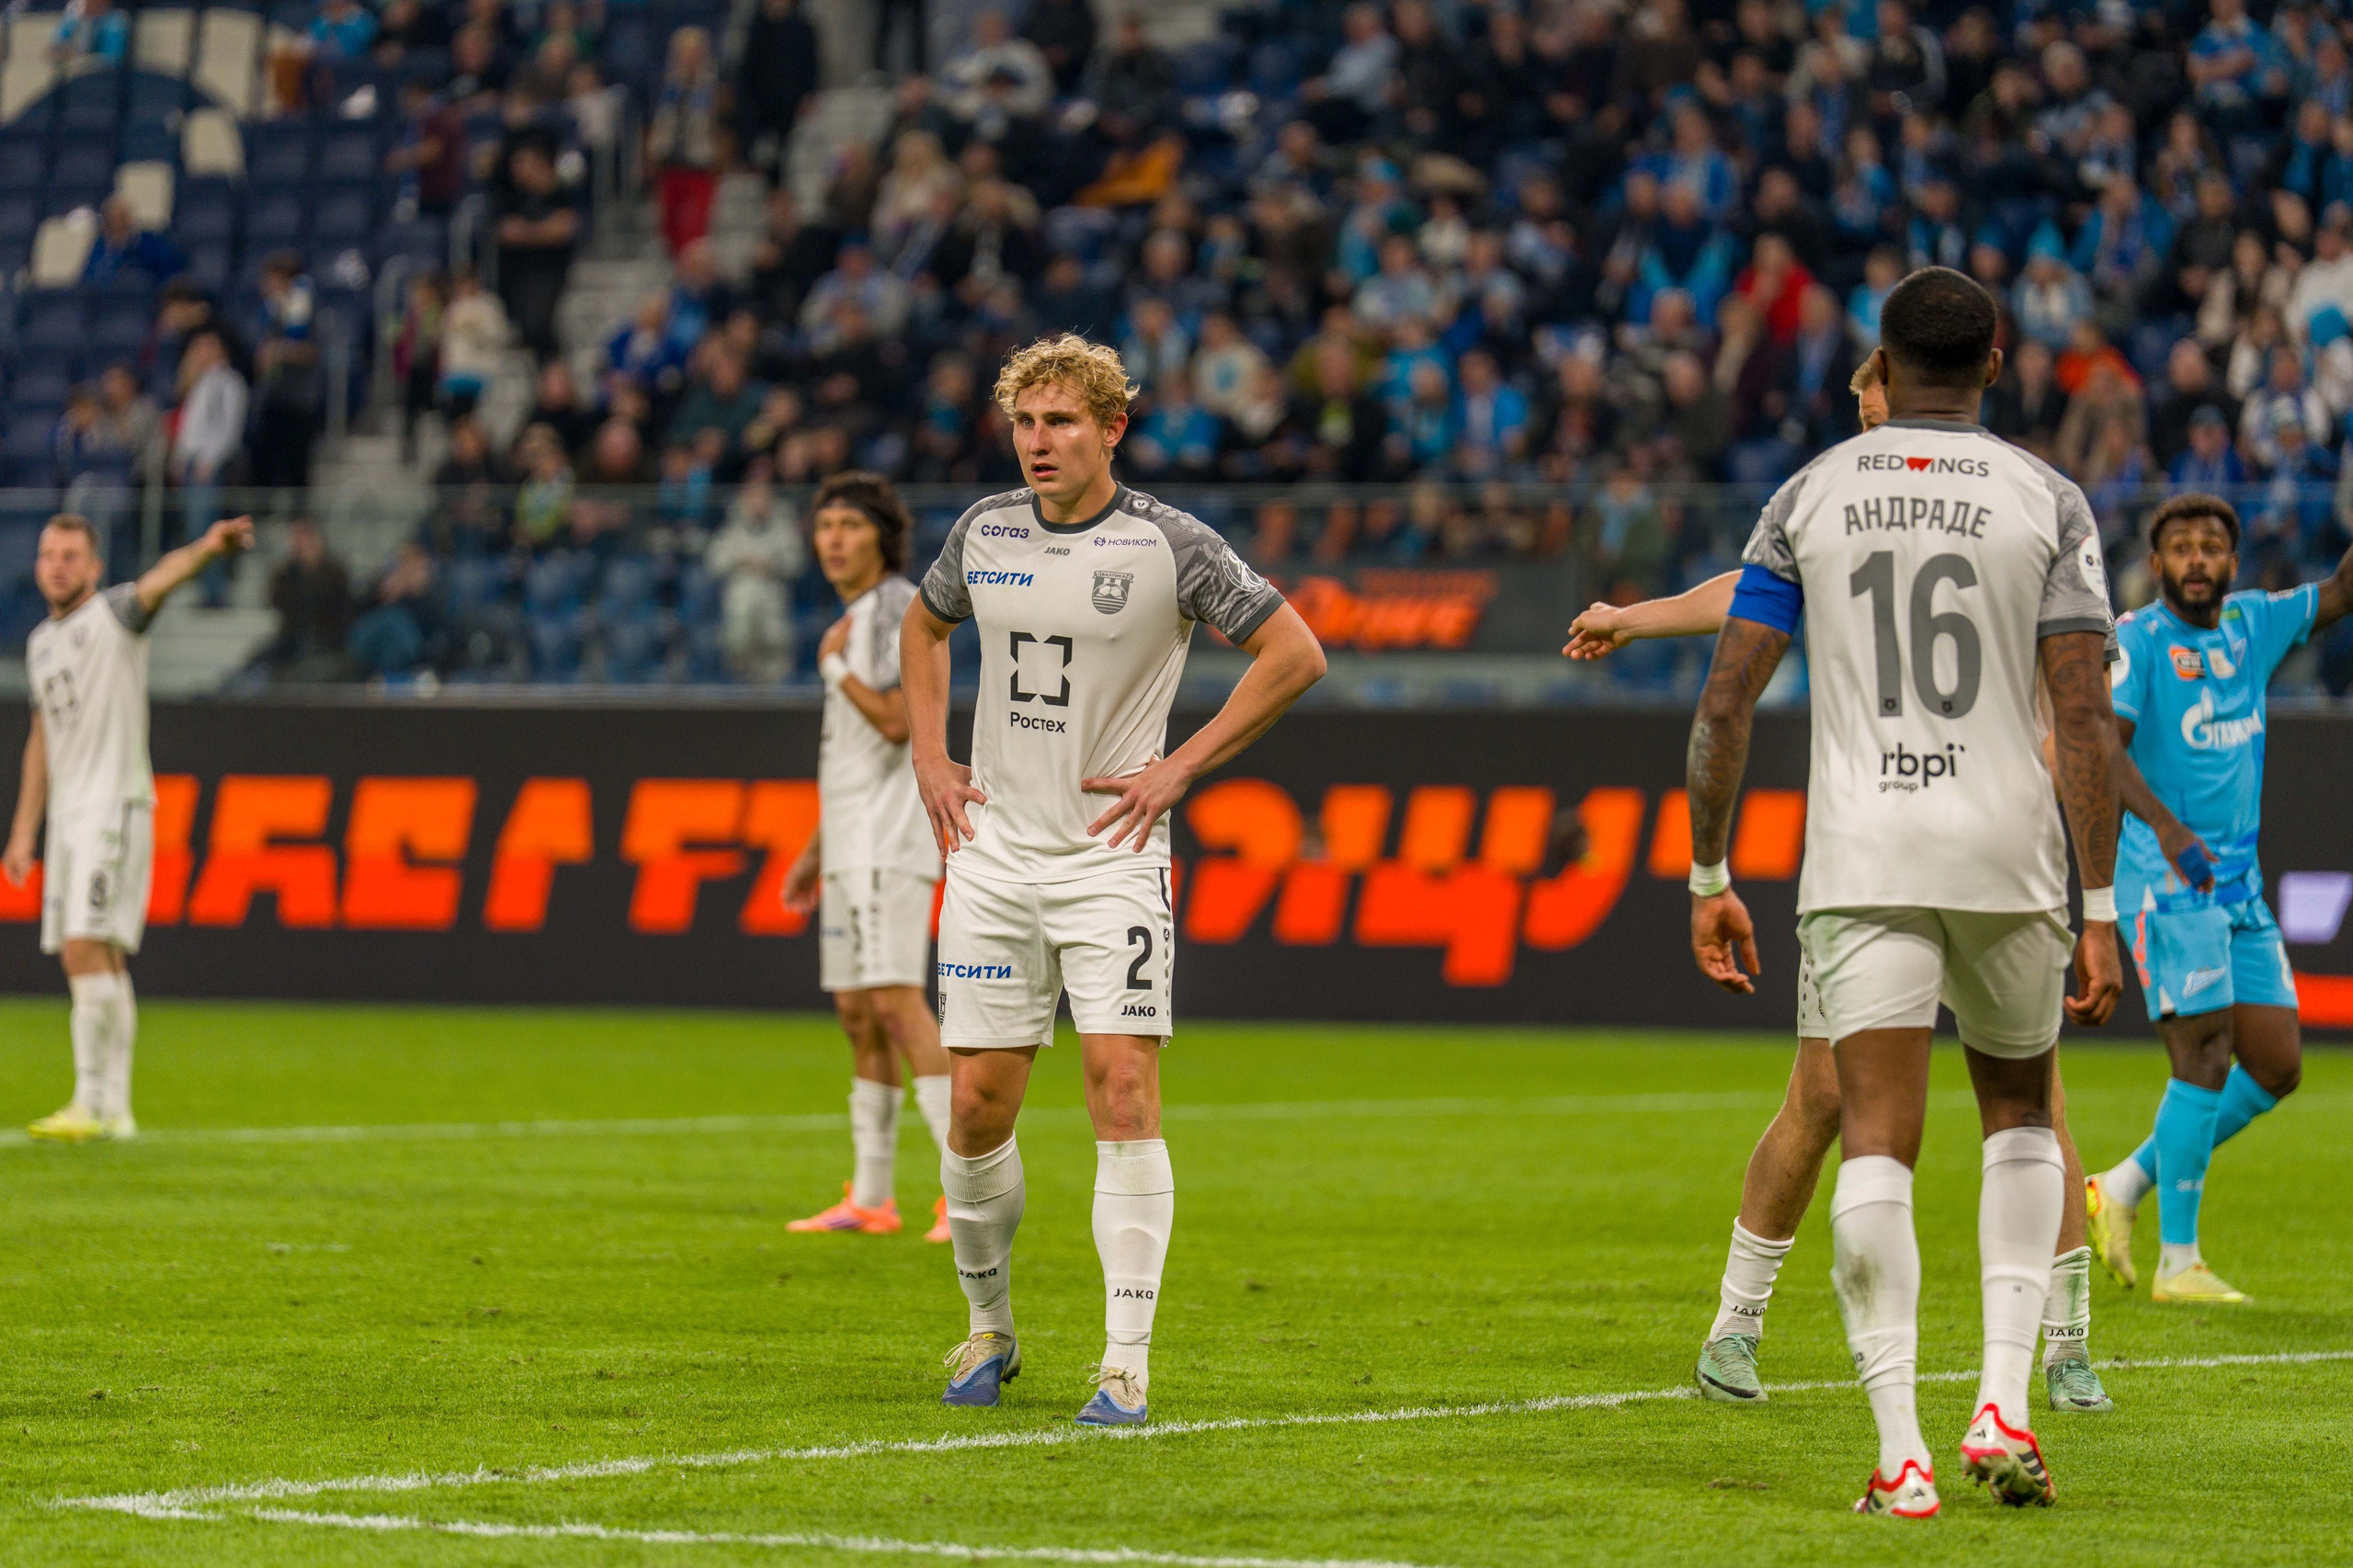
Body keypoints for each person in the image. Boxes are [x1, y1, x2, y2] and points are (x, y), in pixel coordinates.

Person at [1564, 354, 2120, 1421]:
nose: (1865, 414)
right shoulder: (1984, 499)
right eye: (1859, 403)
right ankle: (1736, 1324)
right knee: (1836, 1095)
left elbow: (1740, 665)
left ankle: (2062, 1341)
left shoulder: (1895, 498)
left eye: (1870, 396)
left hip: (1908, 846)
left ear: (1900, 389)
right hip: (1959, 851)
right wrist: (1636, 614)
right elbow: (1744, 594)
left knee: (2007, 1103)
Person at [1679, 267, 2120, 1517]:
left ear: (1885, 357)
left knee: (1874, 1132)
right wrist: (2097, 907)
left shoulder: (1809, 492)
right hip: (2006, 854)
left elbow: (1724, 702)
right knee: (2022, 1114)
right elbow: (2082, 707)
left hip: (1864, 856)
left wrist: (1710, 872)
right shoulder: (2049, 497)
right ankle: (2004, 1401)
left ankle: (1900, 1454)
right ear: (1995, 359)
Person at [902, 335, 1325, 1424]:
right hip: (993, 858)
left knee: (1122, 1092)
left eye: (1061, 422)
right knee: (978, 1108)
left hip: (1110, 863)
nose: (1039, 442)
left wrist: (1180, 765)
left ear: (1111, 430)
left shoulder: (1169, 545)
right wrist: (928, 755)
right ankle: (988, 1326)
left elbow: (1294, 652)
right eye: (1025, 423)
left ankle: (1124, 1360)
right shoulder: (983, 531)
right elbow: (923, 622)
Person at [2084, 494, 2353, 1302]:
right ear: (2156, 561)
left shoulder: (2253, 624)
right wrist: (2166, 828)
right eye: (2180, 548)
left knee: (2275, 1065)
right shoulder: (2138, 641)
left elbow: (2340, 592)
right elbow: (2101, 746)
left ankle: (2123, 1185)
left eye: (2210, 548)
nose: (2196, 560)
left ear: (2233, 564)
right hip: (2165, 880)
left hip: (2236, 884)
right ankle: (2180, 1263)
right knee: (2202, 1055)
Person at [5, 512, 256, 1142]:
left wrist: (206, 547)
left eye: (70, 556)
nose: (57, 565)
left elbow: (160, 582)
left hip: (111, 803)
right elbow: (41, 741)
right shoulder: (39, 644)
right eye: (48, 554)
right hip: (66, 816)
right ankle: (115, 1109)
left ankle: (90, 1100)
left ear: (93, 568)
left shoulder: (112, 617)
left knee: (83, 946)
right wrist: (23, 831)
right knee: (104, 956)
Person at [777, 472, 953, 1241]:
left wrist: (835, 669)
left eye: (851, 524)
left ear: (883, 535)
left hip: (889, 840)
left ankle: (962, 1193)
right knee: (858, 1014)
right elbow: (848, 755)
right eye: (825, 526)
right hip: (850, 842)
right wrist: (816, 852)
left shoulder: (893, 610)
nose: (835, 539)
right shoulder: (856, 616)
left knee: (895, 1003)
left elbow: (891, 723)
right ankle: (873, 1197)